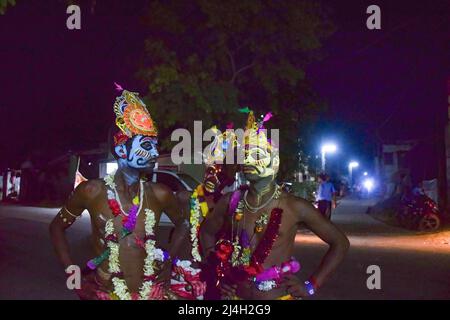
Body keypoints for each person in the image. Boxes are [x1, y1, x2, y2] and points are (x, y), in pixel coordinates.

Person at [49, 86, 189, 300]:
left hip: (150, 293)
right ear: (122, 150)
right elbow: (57, 227)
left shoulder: (160, 193)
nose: (154, 152)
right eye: (146, 145)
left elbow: (183, 223)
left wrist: (168, 259)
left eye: (154, 145)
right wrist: (74, 279)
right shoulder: (92, 191)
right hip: (105, 293)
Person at [200, 110, 349, 300]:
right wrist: (218, 272)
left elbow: (340, 243)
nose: (247, 160)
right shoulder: (230, 201)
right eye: (244, 154)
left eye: (256, 154)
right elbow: (206, 232)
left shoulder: (294, 206)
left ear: (274, 162)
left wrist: (311, 285)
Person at [172, 125, 238, 300]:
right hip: (184, 273)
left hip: (213, 276)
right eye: (211, 170)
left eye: (222, 174)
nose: (215, 177)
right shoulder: (184, 198)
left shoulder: (228, 205)